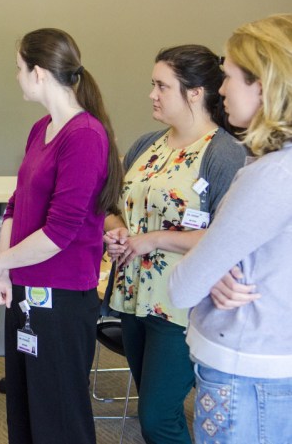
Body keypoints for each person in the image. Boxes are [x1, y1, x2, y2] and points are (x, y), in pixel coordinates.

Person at [0, 28, 123, 444]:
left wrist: (0, 263)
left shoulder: (85, 136)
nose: (17, 76)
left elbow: (60, 232)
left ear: (39, 72)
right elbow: (15, 205)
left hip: (62, 299)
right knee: (24, 409)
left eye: (19, 68)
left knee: (59, 416)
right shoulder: (41, 129)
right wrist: (5, 272)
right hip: (25, 291)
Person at [102, 45, 247, 444]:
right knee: (157, 412)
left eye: (162, 86)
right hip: (133, 297)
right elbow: (111, 205)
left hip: (181, 305)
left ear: (196, 92)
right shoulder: (148, 144)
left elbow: (229, 236)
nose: (152, 94)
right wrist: (116, 231)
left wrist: (155, 239)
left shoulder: (223, 154)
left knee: (157, 417)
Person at [169, 14, 292, 444]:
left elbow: (183, 287)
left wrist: (205, 268)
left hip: (246, 372)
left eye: (230, 77)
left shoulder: (271, 175)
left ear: (264, 84)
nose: (221, 89)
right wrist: (218, 265)